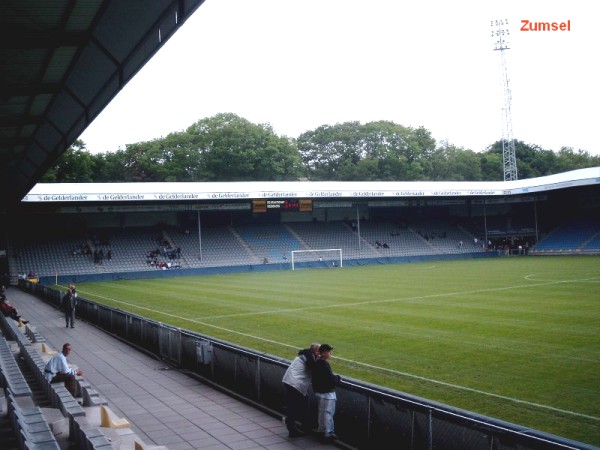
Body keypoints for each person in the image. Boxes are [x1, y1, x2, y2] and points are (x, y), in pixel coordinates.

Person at [282, 343, 320, 437]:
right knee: (295, 406)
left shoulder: (305, 355)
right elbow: (316, 370)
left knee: (301, 403)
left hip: (291, 382)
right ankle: (293, 429)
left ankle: (303, 427)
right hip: (295, 384)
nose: (319, 353)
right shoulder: (309, 358)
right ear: (314, 351)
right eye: (318, 351)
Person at [312, 344, 341, 441]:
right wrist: (338, 378)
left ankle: (321, 430)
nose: (331, 353)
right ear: (324, 353)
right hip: (328, 393)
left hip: (320, 392)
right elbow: (330, 378)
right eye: (329, 351)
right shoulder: (324, 364)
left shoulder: (317, 362)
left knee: (321, 412)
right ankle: (328, 433)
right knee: (328, 412)